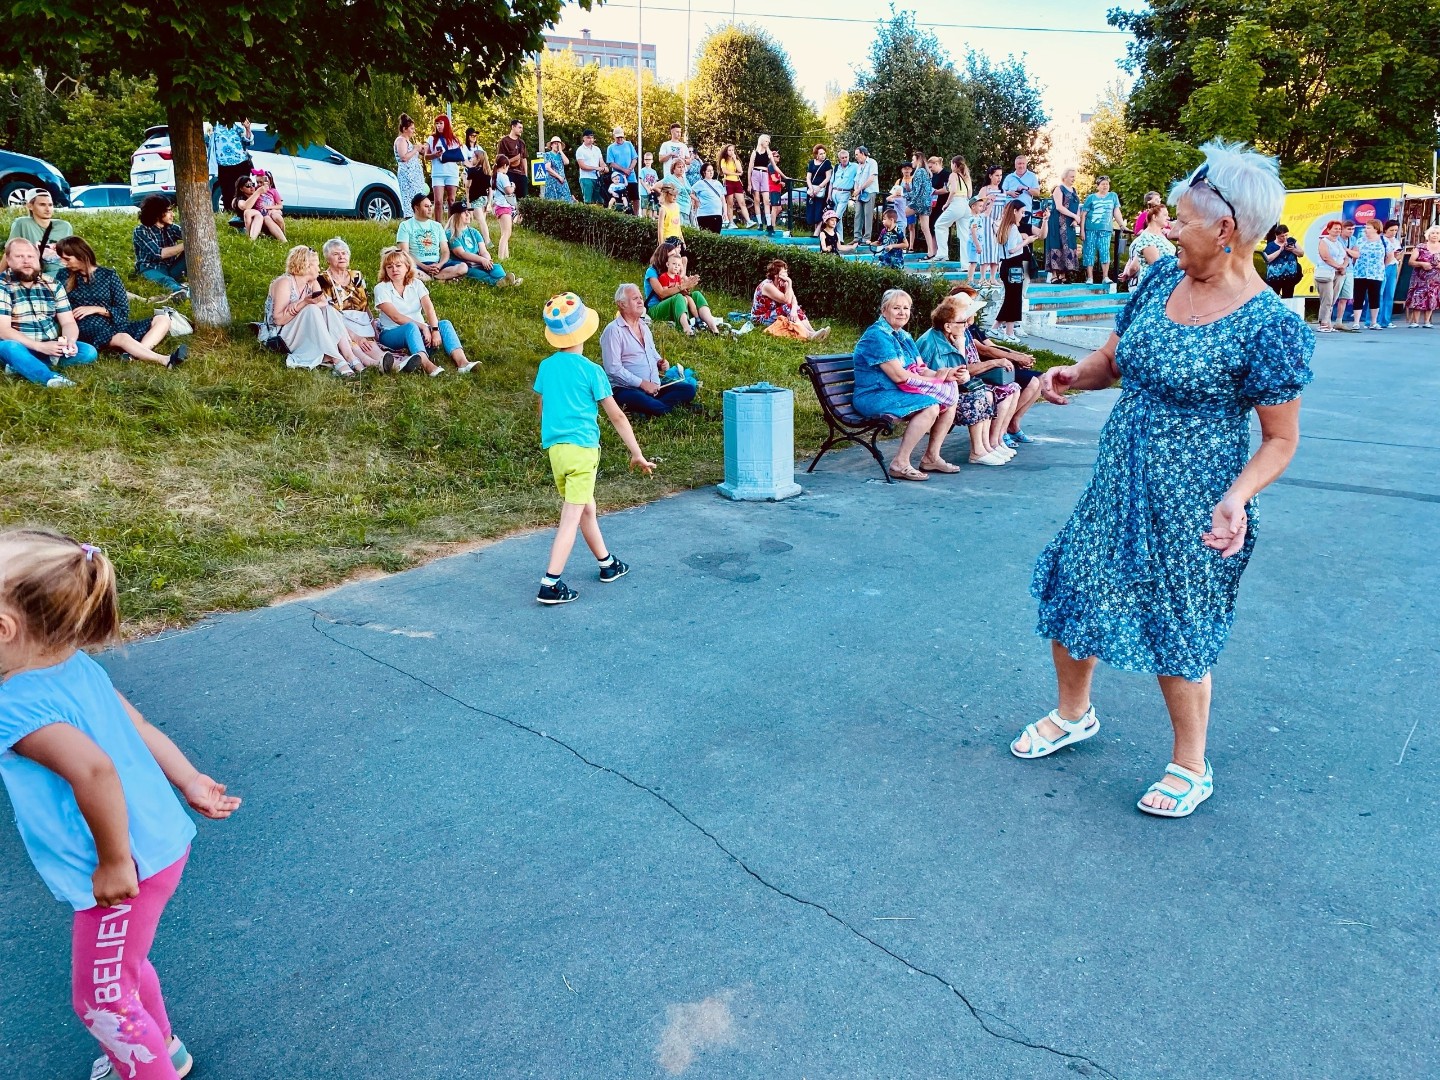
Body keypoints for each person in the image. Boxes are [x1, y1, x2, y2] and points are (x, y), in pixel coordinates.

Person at [1016, 140, 1314, 818]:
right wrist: (1071, 376)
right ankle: (1074, 714)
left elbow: (1281, 439)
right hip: (1118, 479)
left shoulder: (1268, 326)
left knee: (1178, 623)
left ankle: (1190, 764)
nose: (1168, 230)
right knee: (1076, 586)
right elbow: (1112, 362)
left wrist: (1238, 497)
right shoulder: (1159, 281)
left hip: (1196, 501)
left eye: (1181, 221)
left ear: (1226, 228)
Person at [0, 529, 241, 1080]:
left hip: (122, 865)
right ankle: (165, 1053)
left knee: (100, 998)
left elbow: (94, 770)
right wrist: (189, 779)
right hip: (156, 844)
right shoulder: (74, 665)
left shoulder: (13, 706)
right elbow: (138, 725)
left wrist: (113, 863)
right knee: (120, 971)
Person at [533, 292, 655, 605]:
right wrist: (637, 452)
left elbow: (542, 407)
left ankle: (607, 563)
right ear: (585, 330)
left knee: (586, 507)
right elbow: (617, 416)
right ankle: (551, 582)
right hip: (582, 451)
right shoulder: (592, 371)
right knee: (571, 516)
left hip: (557, 451)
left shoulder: (546, 367)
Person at [851, 289, 959, 481]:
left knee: (949, 401)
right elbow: (899, 376)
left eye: (906, 308)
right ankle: (899, 463)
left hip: (896, 392)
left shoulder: (904, 336)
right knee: (931, 406)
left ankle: (931, 457)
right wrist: (935, 380)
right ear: (884, 311)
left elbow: (921, 369)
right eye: (896, 308)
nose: (902, 312)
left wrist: (945, 374)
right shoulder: (877, 336)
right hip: (874, 395)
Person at [915, 292, 1016, 466]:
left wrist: (960, 346)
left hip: (946, 387)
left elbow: (960, 371)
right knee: (975, 396)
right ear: (948, 326)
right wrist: (959, 366)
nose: (966, 324)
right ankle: (977, 452)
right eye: (961, 321)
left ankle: (985, 447)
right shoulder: (933, 342)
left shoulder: (950, 336)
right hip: (931, 390)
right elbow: (935, 375)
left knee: (983, 392)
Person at [55, 237, 185, 369]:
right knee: (122, 337)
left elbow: (123, 310)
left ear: (81, 255)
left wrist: (97, 309)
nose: (63, 263)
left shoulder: (108, 275)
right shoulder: (63, 276)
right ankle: (165, 360)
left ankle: (133, 356)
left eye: (67, 259)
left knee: (163, 319)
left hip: (114, 323)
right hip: (86, 326)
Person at [950, 282, 1045, 446]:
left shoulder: (970, 328)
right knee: (1025, 384)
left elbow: (993, 345)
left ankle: (1009, 426)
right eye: (971, 306)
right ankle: (1000, 432)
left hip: (988, 368)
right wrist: (1012, 358)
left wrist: (1018, 355)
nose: (974, 310)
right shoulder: (960, 329)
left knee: (1038, 380)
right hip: (984, 370)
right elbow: (985, 351)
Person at [0, 238, 96, 388]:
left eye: (30, 256)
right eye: (19, 256)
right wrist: (39, 346)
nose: (26, 261)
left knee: (88, 352)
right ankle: (50, 378)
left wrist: (69, 342)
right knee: (8, 347)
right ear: (9, 260)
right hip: (19, 345)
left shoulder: (53, 284)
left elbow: (68, 322)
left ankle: (21, 365)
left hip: (51, 346)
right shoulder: (3, 286)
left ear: (38, 258)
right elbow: (4, 330)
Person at [260, 245, 365, 376]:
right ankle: (337, 359)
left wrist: (300, 304)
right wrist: (303, 303)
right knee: (311, 309)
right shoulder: (285, 282)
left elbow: (324, 303)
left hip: (301, 330)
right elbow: (278, 320)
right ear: (307, 266)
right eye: (317, 265)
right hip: (280, 334)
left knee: (329, 310)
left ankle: (350, 356)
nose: (319, 269)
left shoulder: (312, 282)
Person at [600, 283, 698, 417]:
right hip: (626, 389)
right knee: (654, 406)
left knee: (689, 389)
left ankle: (649, 408)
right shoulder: (613, 331)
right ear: (622, 304)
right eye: (635, 298)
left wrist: (659, 362)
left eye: (641, 297)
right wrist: (642, 384)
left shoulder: (644, 327)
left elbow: (651, 352)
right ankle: (658, 407)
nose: (641, 301)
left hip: (654, 387)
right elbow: (613, 369)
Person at [373, 245, 472, 374]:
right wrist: (424, 327)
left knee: (444, 324)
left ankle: (462, 363)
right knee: (411, 327)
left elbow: (429, 309)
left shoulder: (416, 284)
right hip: (391, 333)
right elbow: (395, 317)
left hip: (418, 332)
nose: (394, 270)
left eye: (398, 265)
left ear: (407, 267)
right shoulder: (381, 288)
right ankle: (427, 365)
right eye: (389, 267)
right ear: (385, 270)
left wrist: (434, 330)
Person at [316, 236, 398, 372]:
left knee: (371, 345)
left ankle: (394, 364)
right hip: (339, 323)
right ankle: (372, 364)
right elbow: (327, 312)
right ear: (327, 259)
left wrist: (372, 323)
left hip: (360, 321)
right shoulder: (322, 280)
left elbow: (364, 304)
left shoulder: (356, 276)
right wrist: (354, 335)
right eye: (336, 254)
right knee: (356, 344)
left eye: (344, 253)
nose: (341, 257)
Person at [646, 243, 727, 335]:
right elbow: (661, 293)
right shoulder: (651, 271)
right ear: (663, 256)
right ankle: (687, 329)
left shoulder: (672, 270)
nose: (675, 257)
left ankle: (713, 328)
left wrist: (687, 287)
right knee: (678, 297)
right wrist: (682, 287)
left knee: (696, 295)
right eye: (672, 255)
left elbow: (678, 287)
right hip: (656, 308)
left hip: (673, 304)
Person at [993, 199, 1044, 338]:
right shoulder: (1012, 227)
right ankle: (1009, 333)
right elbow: (1012, 249)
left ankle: (996, 328)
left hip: (1006, 265)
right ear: (1014, 211)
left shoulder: (1004, 226)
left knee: (1011, 299)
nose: (1023, 215)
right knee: (1014, 300)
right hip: (1013, 265)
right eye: (1021, 212)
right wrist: (1027, 241)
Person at [445, 201, 521, 287]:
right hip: (465, 265)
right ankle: (498, 283)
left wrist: (487, 260)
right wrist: (481, 260)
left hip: (478, 262)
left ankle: (505, 281)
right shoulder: (451, 234)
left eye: (468, 212)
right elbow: (461, 254)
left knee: (497, 267)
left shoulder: (474, 232)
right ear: (456, 216)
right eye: (464, 212)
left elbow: (483, 251)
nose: (468, 214)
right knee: (479, 274)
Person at [750, 259, 829, 341]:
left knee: (794, 307)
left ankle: (813, 332)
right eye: (784, 272)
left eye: (786, 272)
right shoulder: (767, 286)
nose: (786, 275)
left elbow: (793, 298)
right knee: (788, 307)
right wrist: (789, 283)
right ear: (776, 275)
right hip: (760, 318)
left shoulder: (782, 283)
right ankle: (809, 335)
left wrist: (794, 310)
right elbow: (787, 300)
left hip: (772, 312)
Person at [396, 194, 466, 282]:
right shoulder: (405, 225)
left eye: (430, 206)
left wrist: (439, 265)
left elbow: (445, 251)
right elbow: (405, 253)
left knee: (463, 267)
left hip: (437, 265)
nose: (430, 209)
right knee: (405, 270)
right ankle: (438, 278)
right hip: (417, 265)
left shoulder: (437, 226)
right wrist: (424, 267)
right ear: (416, 208)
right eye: (426, 206)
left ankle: (431, 278)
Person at [9, 189, 73, 276]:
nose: (47, 209)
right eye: (42, 205)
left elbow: (72, 254)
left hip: (62, 274)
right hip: (34, 275)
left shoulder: (64, 226)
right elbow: (9, 253)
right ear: (30, 206)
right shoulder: (23, 224)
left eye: (50, 205)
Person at [131, 195, 187, 293]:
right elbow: (159, 253)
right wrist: (187, 244)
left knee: (192, 252)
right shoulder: (141, 231)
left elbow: (192, 238)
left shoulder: (171, 227)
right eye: (168, 211)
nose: (172, 214)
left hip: (171, 267)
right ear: (157, 213)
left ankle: (192, 284)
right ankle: (181, 291)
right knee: (167, 281)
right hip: (150, 268)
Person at [1078, 175, 1124, 283]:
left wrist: (1121, 224)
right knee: (1089, 252)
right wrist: (1082, 230)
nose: (1105, 186)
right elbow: (1083, 215)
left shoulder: (1113, 196)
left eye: (1107, 184)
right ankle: (1090, 277)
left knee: (1105, 252)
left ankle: (1105, 277)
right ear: (1098, 186)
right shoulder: (1091, 198)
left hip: (1105, 229)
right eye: (1103, 184)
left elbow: (1116, 211)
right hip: (1090, 229)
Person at [930, 155, 973, 265]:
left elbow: (953, 191)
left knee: (939, 225)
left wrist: (947, 204)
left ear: (954, 164)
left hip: (956, 203)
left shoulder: (953, 175)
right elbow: (970, 194)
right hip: (966, 205)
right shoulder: (966, 176)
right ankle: (966, 264)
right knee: (964, 236)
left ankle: (942, 253)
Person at [1121, 205, 1176, 288]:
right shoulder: (1147, 237)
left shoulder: (1160, 235)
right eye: (1165, 215)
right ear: (1154, 217)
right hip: (1154, 286)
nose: (1168, 218)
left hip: (1164, 283)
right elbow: (1156, 265)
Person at [1045, 167, 1081, 282]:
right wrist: (1074, 216)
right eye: (1071, 176)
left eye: (1074, 177)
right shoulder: (1059, 189)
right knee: (1056, 244)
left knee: (1067, 245)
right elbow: (1059, 207)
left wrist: (1076, 219)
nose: (1073, 179)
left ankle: (1064, 274)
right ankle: (1054, 275)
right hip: (1057, 222)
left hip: (1069, 223)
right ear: (1065, 177)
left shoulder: (1074, 190)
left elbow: (1077, 206)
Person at [1349, 220, 1386, 330]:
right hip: (1360, 273)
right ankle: (1356, 322)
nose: (1366, 230)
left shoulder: (1384, 241)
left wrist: (1381, 267)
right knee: (1358, 296)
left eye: (1368, 228)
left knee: (1374, 297)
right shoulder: (1360, 241)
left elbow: (1389, 256)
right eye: (1366, 227)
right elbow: (1355, 255)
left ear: (1376, 229)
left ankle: (1373, 322)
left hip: (1376, 274)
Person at [1312, 219, 1347, 333]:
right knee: (1327, 299)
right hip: (1326, 273)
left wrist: (1343, 267)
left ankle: (1328, 323)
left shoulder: (1339, 243)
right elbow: (1326, 257)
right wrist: (1338, 266)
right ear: (1328, 230)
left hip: (1338, 273)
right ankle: (1323, 323)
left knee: (1333, 299)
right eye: (1335, 229)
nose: (1338, 231)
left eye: (1339, 229)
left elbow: (1346, 257)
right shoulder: (1324, 242)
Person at [212, 117, 254, 208]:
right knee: (227, 192)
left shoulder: (236, 127)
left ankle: (243, 210)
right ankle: (229, 211)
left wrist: (247, 128)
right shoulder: (214, 127)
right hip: (224, 165)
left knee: (243, 190)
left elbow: (249, 142)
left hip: (241, 163)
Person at [1403, 225, 1440, 328]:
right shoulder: (1420, 247)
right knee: (1417, 297)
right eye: (1433, 233)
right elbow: (1411, 261)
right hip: (1420, 278)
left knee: (1432, 297)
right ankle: (1415, 322)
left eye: (1437, 233)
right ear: (1428, 235)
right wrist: (1422, 264)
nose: (1435, 235)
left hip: (1435, 279)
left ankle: (1427, 322)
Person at [974, 166, 1006, 283]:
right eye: (997, 175)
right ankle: (982, 277)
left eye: (1000, 175)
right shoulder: (985, 189)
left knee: (996, 248)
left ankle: (993, 277)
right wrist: (987, 199)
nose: (999, 178)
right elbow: (979, 206)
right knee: (986, 247)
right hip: (986, 221)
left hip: (998, 221)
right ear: (990, 176)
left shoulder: (1002, 190)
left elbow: (1004, 207)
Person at [231, 174, 285, 242]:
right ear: (241, 189)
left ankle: (283, 240)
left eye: (252, 184)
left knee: (267, 218)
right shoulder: (240, 199)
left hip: (263, 223)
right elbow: (245, 207)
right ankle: (251, 239)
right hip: (246, 226)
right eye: (248, 185)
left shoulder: (257, 195)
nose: (251, 187)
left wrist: (274, 210)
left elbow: (265, 184)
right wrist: (258, 192)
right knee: (255, 214)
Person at [425, 114, 462, 210]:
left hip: (451, 173)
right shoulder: (432, 138)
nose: (438, 126)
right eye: (437, 123)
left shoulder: (454, 140)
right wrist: (435, 155)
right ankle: (438, 220)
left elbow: (459, 157)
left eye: (441, 123)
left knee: (451, 200)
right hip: (438, 173)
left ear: (446, 124)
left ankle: (451, 220)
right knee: (438, 201)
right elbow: (426, 156)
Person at [394, 114, 427, 219]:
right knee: (409, 200)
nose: (413, 131)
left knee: (417, 199)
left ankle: (418, 218)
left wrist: (421, 150)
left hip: (414, 177)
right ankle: (409, 219)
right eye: (411, 128)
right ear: (404, 129)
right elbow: (404, 157)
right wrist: (415, 149)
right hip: (408, 177)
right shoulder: (401, 140)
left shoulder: (408, 142)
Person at [1261, 223, 1304, 298]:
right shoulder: (1271, 245)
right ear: (1276, 235)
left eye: (1286, 235)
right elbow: (1267, 259)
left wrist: (1293, 249)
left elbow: (1301, 253)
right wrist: (1280, 250)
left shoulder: (1292, 241)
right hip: (1275, 278)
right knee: (1274, 297)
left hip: (1290, 277)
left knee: (1288, 297)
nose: (1284, 238)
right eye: (1282, 236)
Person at [1330, 219, 1358, 330]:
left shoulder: (1353, 239)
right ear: (1342, 230)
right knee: (1332, 296)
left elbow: (1356, 254)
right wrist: (1348, 252)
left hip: (1349, 270)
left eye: (1353, 229)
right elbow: (1337, 254)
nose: (1351, 231)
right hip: (1336, 269)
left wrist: (1346, 250)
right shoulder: (1336, 239)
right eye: (1349, 229)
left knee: (1345, 297)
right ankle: (1326, 320)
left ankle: (1339, 321)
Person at [463, 143, 494, 245]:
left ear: (478, 159)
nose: (471, 159)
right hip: (484, 198)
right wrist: (489, 202)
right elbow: (490, 189)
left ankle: (487, 241)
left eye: (473, 157)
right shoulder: (487, 173)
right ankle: (481, 240)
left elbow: (467, 185)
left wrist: (464, 178)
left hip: (475, 198)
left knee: (480, 220)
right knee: (482, 220)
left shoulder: (472, 171)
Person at [491, 155, 519, 260]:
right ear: (504, 165)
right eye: (508, 167)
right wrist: (513, 186)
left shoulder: (494, 177)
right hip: (504, 205)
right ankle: (501, 257)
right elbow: (508, 191)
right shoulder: (503, 177)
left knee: (504, 233)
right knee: (507, 233)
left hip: (498, 206)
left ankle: (506, 256)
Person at [748, 134, 777, 235]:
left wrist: (784, 176)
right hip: (755, 174)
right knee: (756, 199)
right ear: (762, 141)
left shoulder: (768, 152)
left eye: (768, 142)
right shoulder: (754, 153)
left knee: (766, 200)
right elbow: (750, 168)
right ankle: (760, 223)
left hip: (764, 174)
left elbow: (774, 164)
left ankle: (769, 224)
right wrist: (749, 183)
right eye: (766, 141)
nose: (767, 143)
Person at [907, 151, 935, 256]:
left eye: (913, 160)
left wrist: (903, 195)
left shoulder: (919, 172)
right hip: (927, 203)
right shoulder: (926, 172)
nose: (911, 162)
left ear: (918, 160)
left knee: (898, 216)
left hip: (918, 202)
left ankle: (897, 244)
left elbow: (917, 190)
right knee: (925, 228)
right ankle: (931, 252)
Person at [718, 144, 751, 228]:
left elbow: (740, 170)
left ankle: (748, 221)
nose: (731, 152)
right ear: (726, 151)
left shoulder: (735, 160)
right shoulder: (723, 160)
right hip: (728, 181)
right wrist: (736, 174)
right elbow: (725, 171)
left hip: (737, 182)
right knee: (730, 203)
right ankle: (731, 223)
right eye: (729, 150)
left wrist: (735, 159)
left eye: (732, 150)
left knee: (742, 202)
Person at [606, 127, 638, 212]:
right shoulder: (611, 148)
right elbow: (611, 163)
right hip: (617, 177)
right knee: (617, 197)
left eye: (621, 137)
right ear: (614, 136)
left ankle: (636, 215)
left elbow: (634, 158)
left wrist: (629, 169)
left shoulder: (629, 144)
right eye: (618, 137)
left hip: (631, 175)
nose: (620, 139)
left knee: (635, 197)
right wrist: (624, 170)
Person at [828, 148, 857, 242]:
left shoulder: (854, 166)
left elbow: (860, 176)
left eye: (846, 157)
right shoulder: (836, 167)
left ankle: (829, 235)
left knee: (837, 216)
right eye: (842, 158)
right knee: (836, 216)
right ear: (839, 159)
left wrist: (856, 190)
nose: (845, 159)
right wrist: (829, 195)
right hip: (834, 192)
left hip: (845, 192)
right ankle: (840, 239)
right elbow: (831, 182)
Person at [852, 146, 880, 243]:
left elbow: (871, 179)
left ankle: (866, 238)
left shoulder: (872, 162)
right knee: (858, 214)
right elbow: (856, 180)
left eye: (857, 154)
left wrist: (859, 189)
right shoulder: (859, 165)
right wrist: (856, 190)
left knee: (868, 215)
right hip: (859, 193)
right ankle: (857, 238)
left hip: (869, 192)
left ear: (863, 153)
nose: (856, 157)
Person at [497, 120, 529, 200]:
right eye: (519, 127)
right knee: (510, 199)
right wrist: (514, 159)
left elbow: (524, 158)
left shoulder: (521, 142)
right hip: (509, 173)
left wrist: (525, 175)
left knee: (523, 200)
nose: (521, 130)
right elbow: (500, 160)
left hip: (521, 174)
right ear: (513, 127)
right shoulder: (504, 141)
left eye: (522, 128)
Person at [250, 171, 287, 240]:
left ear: (268, 181)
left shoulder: (273, 191)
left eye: (261, 182)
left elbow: (280, 206)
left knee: (276, 216)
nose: (259, 184)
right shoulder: (256, 190)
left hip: (271, 212)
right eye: (257, 182)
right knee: (267, 218)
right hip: (261, 215)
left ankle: (283, 233)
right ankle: (278, 237)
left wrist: (269, 207)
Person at [1379, 220, 1402, 328]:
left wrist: (1397, 255)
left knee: (1390, 294)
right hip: (1383, 266)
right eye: (1391, 230)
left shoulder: (1396, 241)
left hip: (1393, 265)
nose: (1393, 232)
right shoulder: (1381, 239)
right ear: (1385, 230)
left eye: (1395, 230)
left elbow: (1397, 256)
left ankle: (1386, 320)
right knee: (1379, 293)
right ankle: (1375, 319)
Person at [575, 129, 607, 205]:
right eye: (588, 137)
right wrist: (596, 168)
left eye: (592, 137)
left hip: (597, 178)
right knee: (588, 201)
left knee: (600, 201)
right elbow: (582, 166)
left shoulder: (597, 149)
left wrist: (604, 168)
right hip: (586, 177)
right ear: (584, 138)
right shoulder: (580, 150)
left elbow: (601, 162)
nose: (590, 139)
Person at [692, 163, 726, 234]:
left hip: (717, 213)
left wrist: (725, 212)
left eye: (712, 170)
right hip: (704, 214)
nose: (711, 172)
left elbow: (723, 199)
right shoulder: (700, 183)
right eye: (708, 171)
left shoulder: (718, 183)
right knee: (705, 236)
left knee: (716, 235)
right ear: (704, 172)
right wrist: (697, 200)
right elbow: (690, 192)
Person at [806, 145, 833, 233]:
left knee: (819, 211)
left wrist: (819, 187)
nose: (823, 155)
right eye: (821, 154)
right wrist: (811, 189)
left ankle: (816, 233)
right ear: (816, 155)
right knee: (813, 211)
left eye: (824, 153)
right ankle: (816, 232)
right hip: (812, 190)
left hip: (821, 190)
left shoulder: (827, 163)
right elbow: (808, 177)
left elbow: (828, 177)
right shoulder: (811, 163)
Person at [875, 206, 908, 270]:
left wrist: (892, 246)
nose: (883, 221)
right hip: (885, 259)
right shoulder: (884, 231)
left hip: (896, 260)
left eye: (884, 219)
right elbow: (879, 242)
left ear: (891, 220)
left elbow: (906, 244)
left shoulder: (898, 231)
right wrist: (870, 243)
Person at [543, 135, 574, 201]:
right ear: (551, 145)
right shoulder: (547, 154)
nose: (557, 145)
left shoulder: (560, 155)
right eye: (555, 143)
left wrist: (561, 151)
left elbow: (567, 162)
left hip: (562, 181)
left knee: (565, 200)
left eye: (558, 144)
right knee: (553, 199)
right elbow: (548, 168)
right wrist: (559, 177)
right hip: (552, 181)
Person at [655, 179, 683, 247]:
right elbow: (660, 228)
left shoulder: (677, 206)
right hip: (667, 240)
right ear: (666, 194)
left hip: (677, 238)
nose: (675, 197)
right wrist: (661, 244)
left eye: (676, 194)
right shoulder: (663, 209)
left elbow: (678, 226)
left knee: (682, 255)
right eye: (672, 195)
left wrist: (682, 239)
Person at [637, 153, 659, 220]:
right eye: (646, 159)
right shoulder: (642, 170)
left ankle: (649, 222)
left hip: (651, 192)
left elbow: (655, 182)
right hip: (644, 193)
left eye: (649, 159)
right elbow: (641, 181)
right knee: (644, 208)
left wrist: (653, 189)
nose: (647, 161)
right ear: (644, 161)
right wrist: (647, 189)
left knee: (650, 208)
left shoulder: (654, 171)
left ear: (652, 161)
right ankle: (643, 221)